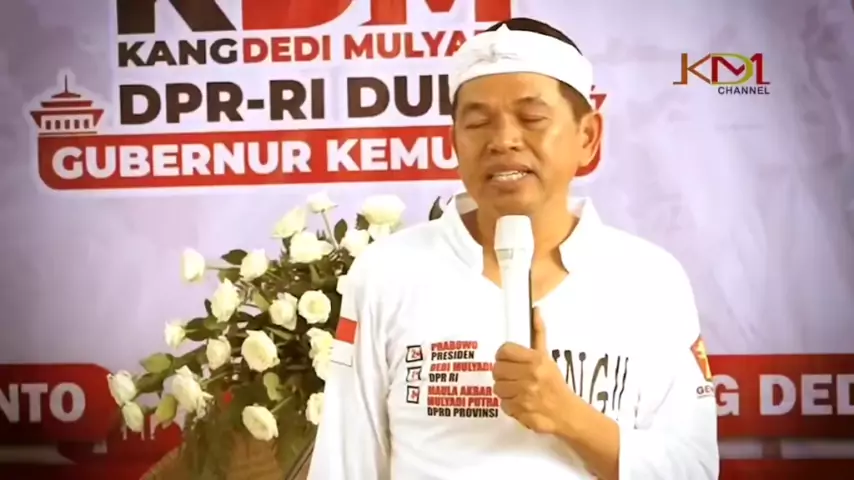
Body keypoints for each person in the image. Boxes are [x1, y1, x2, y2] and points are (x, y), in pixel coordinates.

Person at [308, 17, 719, 480]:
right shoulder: (388, 272)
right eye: (478, 123)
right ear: (454, 142)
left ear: (588, 137)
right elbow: (345, 464)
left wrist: (568, 416)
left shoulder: (649, 279)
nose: (503, 141)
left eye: (532, 119)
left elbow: (693, 469)